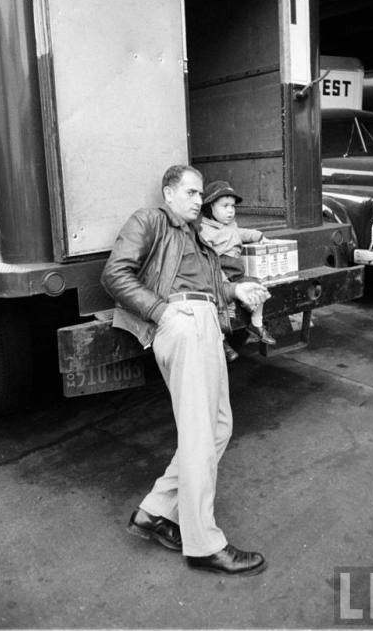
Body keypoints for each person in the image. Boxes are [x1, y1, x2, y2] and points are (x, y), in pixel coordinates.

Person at [101, 164, 268, 576]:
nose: (199, 201)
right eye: (192, 193)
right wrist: (163, 313)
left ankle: (155, 511)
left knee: (217, 428)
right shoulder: (151, 221)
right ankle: (203, 544)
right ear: (168, 193)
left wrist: (235, 289)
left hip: (205, 320)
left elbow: (209, 287)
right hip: (184, 321)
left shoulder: (195, 237)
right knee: (199, 434)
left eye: (200, 195)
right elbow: (114, 274)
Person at [200, 180, 276, 363]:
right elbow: (208, 259)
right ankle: (222, 342)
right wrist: (223, 282)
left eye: (233, 206)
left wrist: (259, 236)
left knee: (259, 288)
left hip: (237, 271)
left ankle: (256, 324)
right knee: (221, 307)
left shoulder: (231, 226)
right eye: (225, 206)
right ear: (210, 207)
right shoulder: (205, 230)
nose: (230, 211)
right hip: (221, 270)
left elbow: (240, 233)